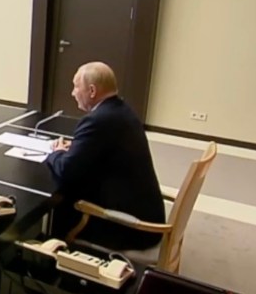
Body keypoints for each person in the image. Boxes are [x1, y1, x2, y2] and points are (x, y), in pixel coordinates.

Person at [44, 62, 166, 251]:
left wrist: (57, 152)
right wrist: (78, 148)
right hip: (146, 211)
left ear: (92, 91)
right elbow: (103, 151)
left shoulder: (97, 120)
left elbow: (66, 172)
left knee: (61, 210)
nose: (72, 92)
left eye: (76, 86)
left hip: (132, 229)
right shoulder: (121, 110)